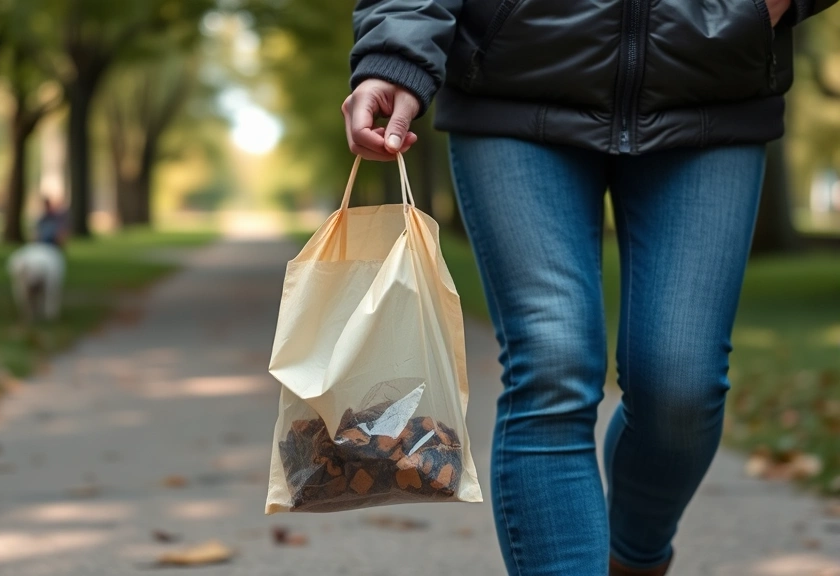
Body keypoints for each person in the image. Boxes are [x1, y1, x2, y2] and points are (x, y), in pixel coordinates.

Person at [344, 1, 837, 575]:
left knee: (682, 384)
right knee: (551, 365)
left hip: (711, 85)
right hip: (514, 86)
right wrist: (393, 52)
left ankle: (634, 557)